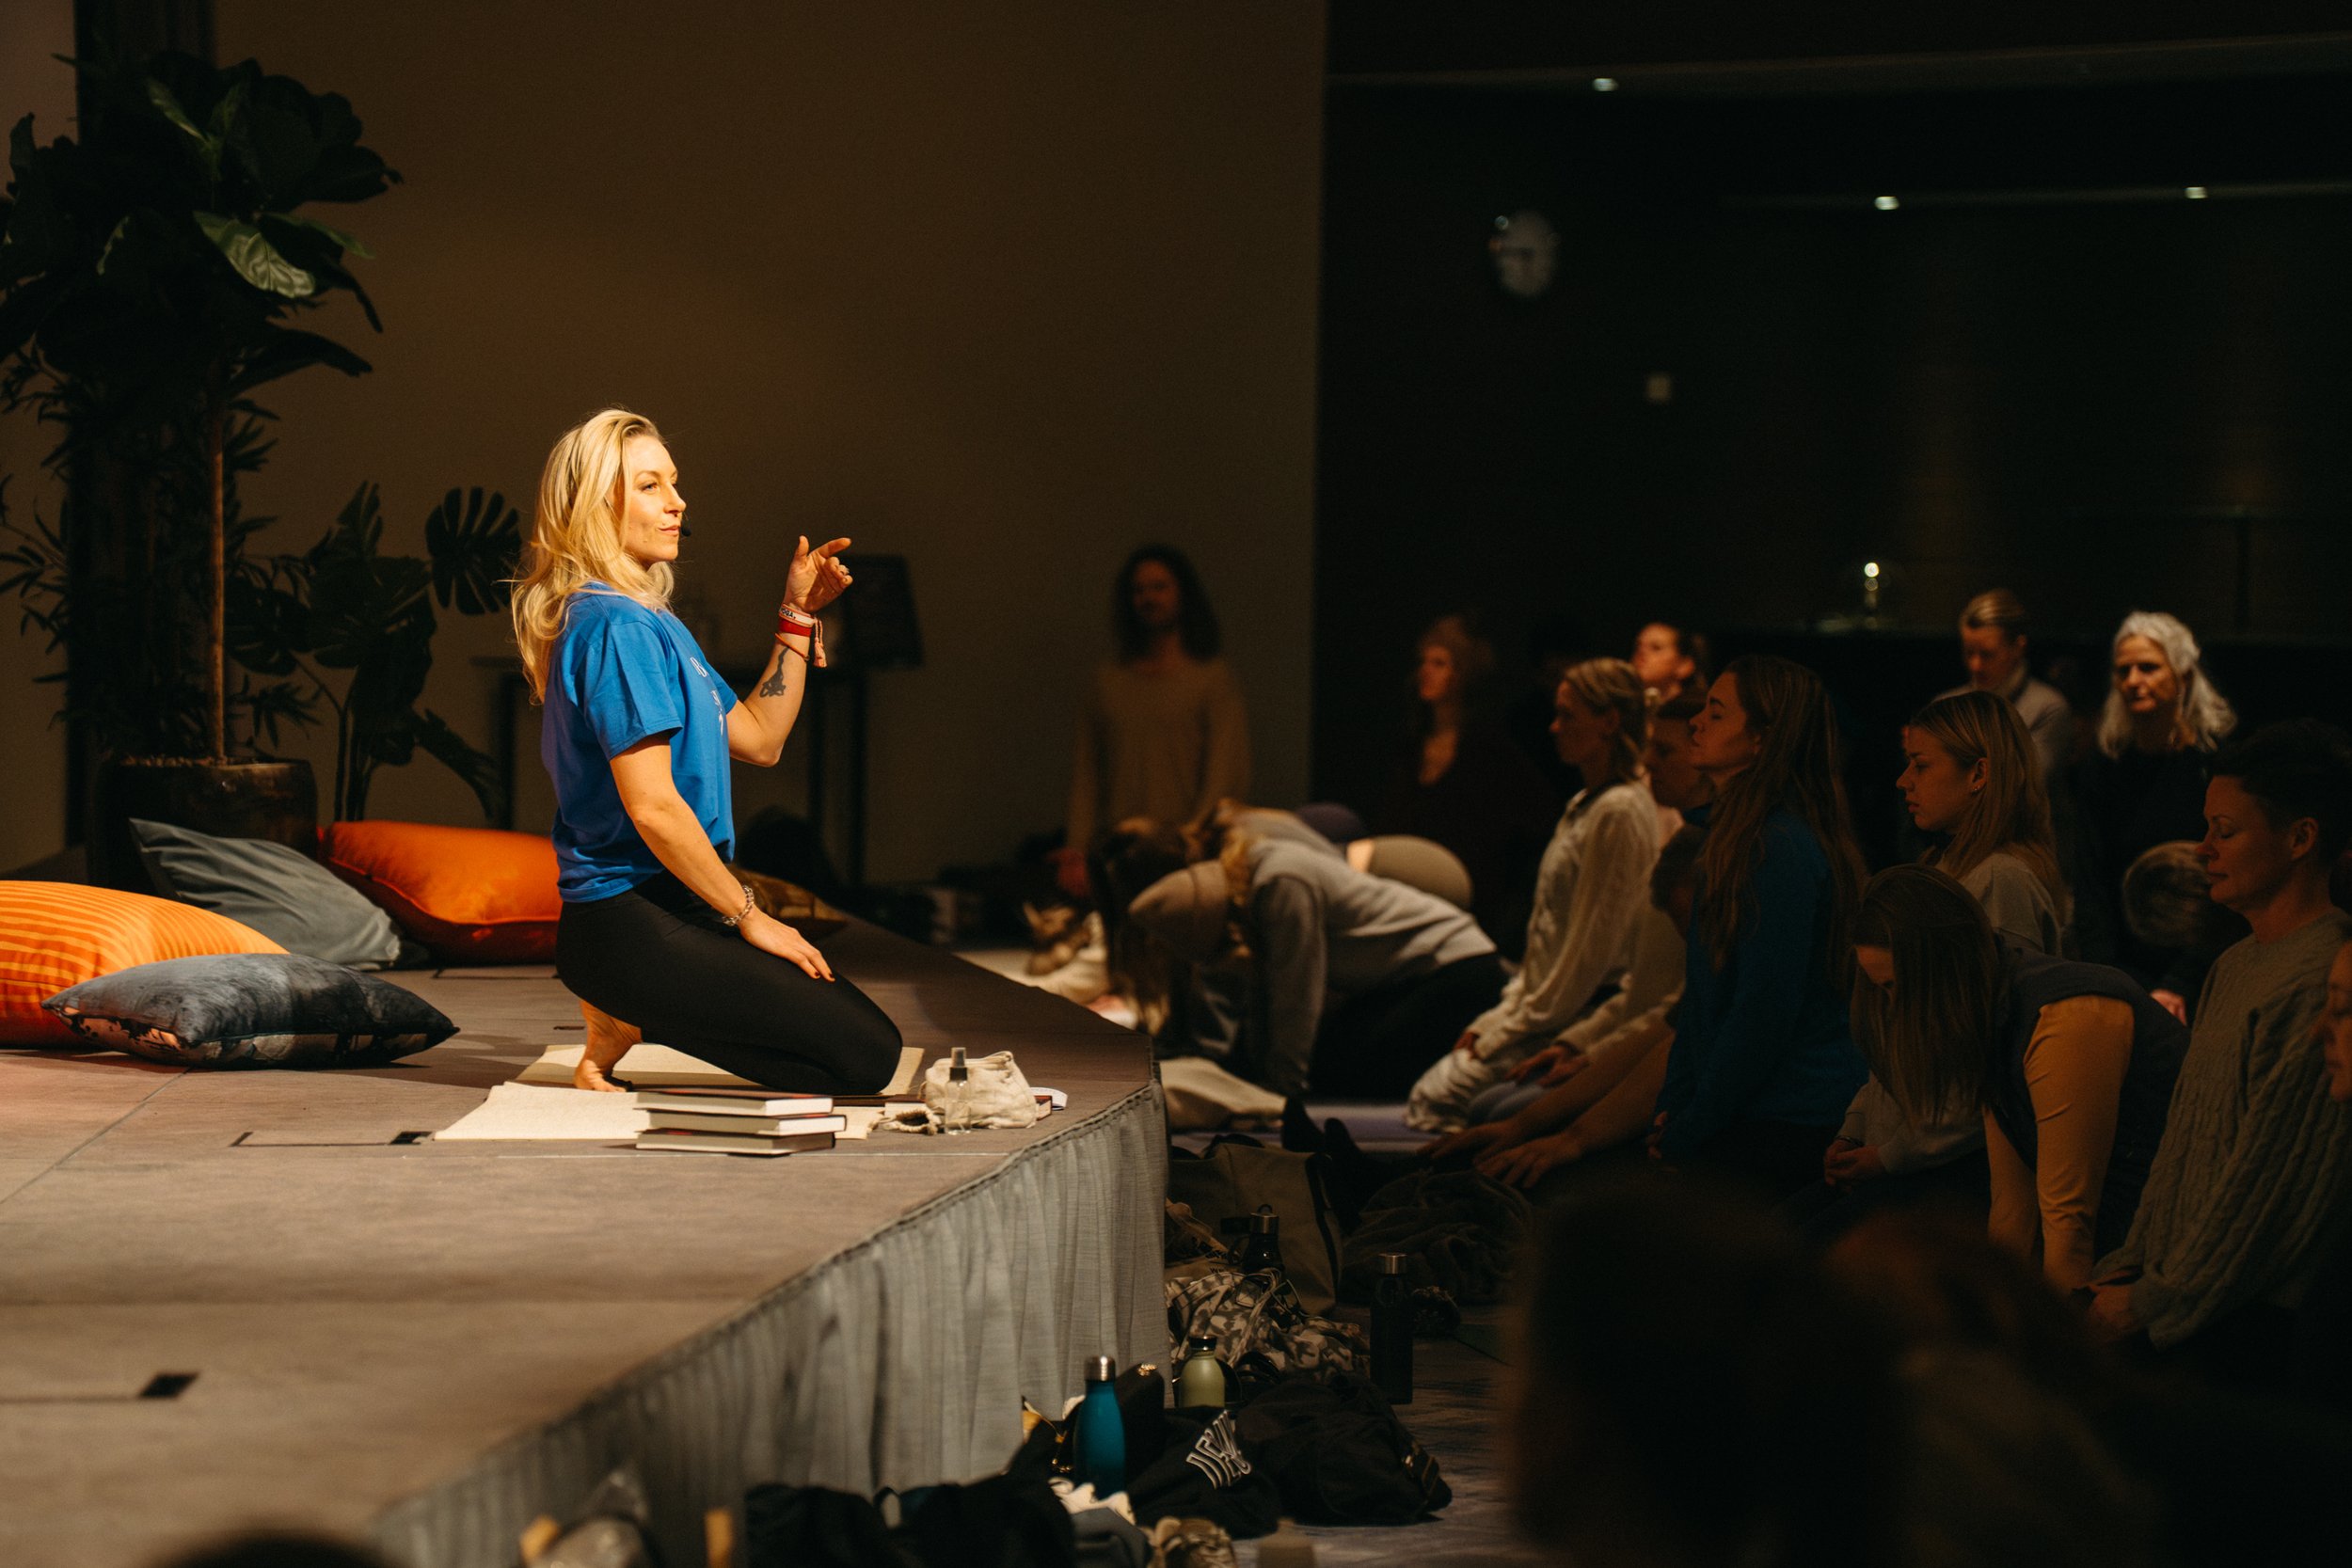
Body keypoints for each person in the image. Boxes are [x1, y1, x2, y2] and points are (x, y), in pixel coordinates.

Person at [512, 409, 902, 1094]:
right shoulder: (613, 626)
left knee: (867, 1050)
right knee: (865, 1057)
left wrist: (798, 614)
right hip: (627, 915)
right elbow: (654, 806)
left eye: (675, 481)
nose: (677, 500)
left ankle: (629, 1011)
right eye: (650, 485)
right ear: (598, 504)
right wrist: (751, 916)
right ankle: (628, 1007)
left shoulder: (653, 622)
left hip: (679, 901)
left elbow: (759, 737)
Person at [2088, 721, 2352, 1387]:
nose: (2202, 849)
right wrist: (2133, 1257)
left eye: (2225, 831)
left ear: (2300, 838)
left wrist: (2152, 1299)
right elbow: (2187, 1143)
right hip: (2185, 1286)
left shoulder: (2323, 971)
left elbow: (2271, 1186)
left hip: (2250, 1316)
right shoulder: (2235, 962)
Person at [1850, 866, 2186, 1289]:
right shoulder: (1992, 1009)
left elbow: (2069, 1225)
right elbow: (2012, 1208)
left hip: (2168, 1253)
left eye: (1897, 986)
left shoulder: (2062, 1017)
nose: (1894, 1007)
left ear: (1942, 965)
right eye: (1882, 990)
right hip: (2124, 1239)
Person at [1811, 693, 2074, 1224]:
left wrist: (1893, 1155)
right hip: (1905, 1152)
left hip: (1947, 1172)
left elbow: (1993, 1055)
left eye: (1921, 765)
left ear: (1979, 773)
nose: (1903, 780)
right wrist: (1857, 1125)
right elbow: (1904, 1032)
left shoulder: (2002, 881)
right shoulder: (1946, 870)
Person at [1405, 659, 1664, 1131]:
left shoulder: (1620, 811)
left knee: (1439, 1099)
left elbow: (1590, 950)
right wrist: (1499, 1018)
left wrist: (1517, 1028)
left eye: (1569, 716)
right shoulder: (1583, 805)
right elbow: (1547, 942)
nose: (1554, 727)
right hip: (1545, 1007)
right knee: (1432, 1093)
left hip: (1575, 1012)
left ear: (1608, 722)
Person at [1651, 656, 1869, 1196]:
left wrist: (1695, 1123)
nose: (1698, 723)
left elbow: (1762, 1012)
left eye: (1717, 714)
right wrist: (1672, 1107)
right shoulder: (1735, 837)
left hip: (1786, 1118)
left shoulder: (1778, 847)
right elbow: (1703, 1000)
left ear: (1761, 741)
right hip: (1746, 1108)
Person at [1124, 821, 1503, 1098]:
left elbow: (1296, 993)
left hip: (1455, 969)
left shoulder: (1281, 884)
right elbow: (1264, 989)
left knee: (1344, 1073)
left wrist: (1278, 1092)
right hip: (1405, 979)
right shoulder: (1258, 879)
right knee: (1329, 1056)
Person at [2069, 610, 2237, 1017]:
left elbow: (2235, 880)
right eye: (2123, 670)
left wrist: (2179, 983)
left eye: (2148, 668)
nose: (2132, 681)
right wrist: (2112, 979)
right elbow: (2091, 882)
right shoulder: (2102, 770)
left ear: (2182, 677)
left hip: (2207, 962)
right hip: (2124, 966)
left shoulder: (2216, 766)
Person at [1057, 545, 1250, 899]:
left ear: (1182, 594)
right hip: (1118, 852)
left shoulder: (1211, 680)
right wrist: (1077, 848)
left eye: (1159, 587)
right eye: (1138, 589)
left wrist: (1195, 839)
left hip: (1185, 854)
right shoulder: (1108, 683)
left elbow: (1224, 772)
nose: (1148, 597)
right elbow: (1087, 773)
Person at [1371, 613, 1561, 957]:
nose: (1425, 671)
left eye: (1439, 663)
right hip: (1406, 902)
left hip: (1468, 911)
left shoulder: (1489, 751)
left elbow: (1540, 820)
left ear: (1462, 674)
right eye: (1424, 662)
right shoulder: (1411, 750)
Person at [1935, 589, 2074, 780]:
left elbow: (2023, 783)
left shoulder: (2048, 708)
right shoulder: (1945, 707)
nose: (1975, 665)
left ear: (2018, 647)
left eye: (1987, 654)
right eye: (1969, 653)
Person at [1629, 621, 1710, 705]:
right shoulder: (1623, 709)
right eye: (1638, 646)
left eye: (1656, 648)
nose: (1641, 652)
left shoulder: (1697, 713)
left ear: (1684, 665)